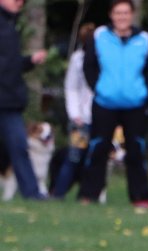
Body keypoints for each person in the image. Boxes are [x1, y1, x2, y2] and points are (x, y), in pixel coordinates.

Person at [79, 0, 148, 208]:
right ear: (111, 15)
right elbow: (88, 66)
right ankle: (89, 195)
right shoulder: (99, 36)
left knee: (136, 150)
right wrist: (100, 89)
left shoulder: (145, 39)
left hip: (135, 105)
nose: (122, 17)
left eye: (126, 13)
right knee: (98, 148)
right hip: (105, 103)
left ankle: (141, 197)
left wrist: (145, 95)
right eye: (118, 13)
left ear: (131, 15)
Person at [0, 0, 48, 200]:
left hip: (9, 100)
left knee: (19, 146)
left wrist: (29, 61)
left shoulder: (10, 25)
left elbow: (10, 65)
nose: (20, 2)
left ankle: (32, 193)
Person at [51, 22, 95, 199]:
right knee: (73, 158)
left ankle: (87, 195)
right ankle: (58, 193)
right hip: (82, 119)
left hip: (102, 117)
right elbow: (71, 87)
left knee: (93, 160)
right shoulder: (78, 59)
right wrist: (75, 114)